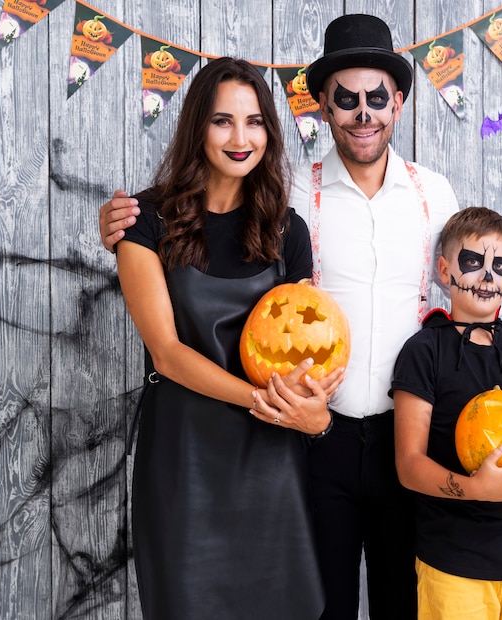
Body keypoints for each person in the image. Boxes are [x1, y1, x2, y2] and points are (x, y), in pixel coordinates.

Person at [99, 16, 502, 620]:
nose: (363, 112)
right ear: (322, 105)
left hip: (411, 434)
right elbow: (255, 296)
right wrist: (118, 224)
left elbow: (471, 287)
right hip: (317, 434)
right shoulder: (289, 197)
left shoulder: (434, 194)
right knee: (318, 604)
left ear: (399, 102)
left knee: (403, 600)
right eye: (346, 99)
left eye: (377, 98)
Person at [114, 56, 344, 620]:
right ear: (197, 126)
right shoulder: (145, 221)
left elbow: (301, 342)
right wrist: (266, 402)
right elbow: (166, 353)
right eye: (223, 121)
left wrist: (316, 412)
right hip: (185, 456)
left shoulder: (288, 230)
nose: (241, 138)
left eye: (255, 122)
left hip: (271, 463)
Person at [390, 206, 502, 619]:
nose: (488, 276)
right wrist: (478, 489)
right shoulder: (424, 351)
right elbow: (409, 465)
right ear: (445, 271)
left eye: (499, 266)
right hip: (453, 565)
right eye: (473, 262)